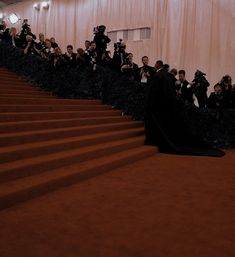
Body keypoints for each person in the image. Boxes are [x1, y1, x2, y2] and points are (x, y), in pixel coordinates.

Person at [145, 60, 224, 157]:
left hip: (162, 107)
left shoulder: (158, 76)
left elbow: (155, 93)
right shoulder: (168, 76)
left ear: (157, 66)